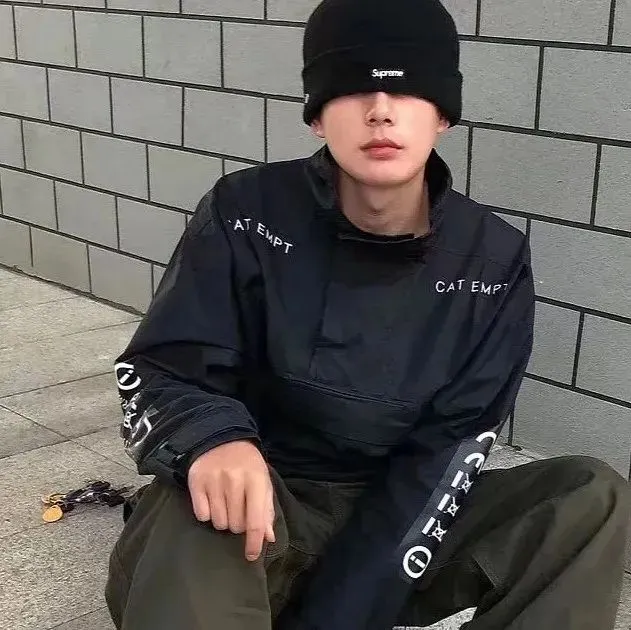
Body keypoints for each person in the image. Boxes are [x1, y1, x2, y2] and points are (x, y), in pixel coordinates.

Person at [104, 1, 631, 628]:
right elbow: (165, 366)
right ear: (316, 116)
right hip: (261, 509)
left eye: (407, 90)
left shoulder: (493, 259)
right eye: (354, 88)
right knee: (200, 495)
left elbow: (447, 453)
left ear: (443, 115)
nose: (380, 110)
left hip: (396, 520)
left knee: (590, 497)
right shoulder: (245, 211)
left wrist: (343, 611)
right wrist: (213, 440)